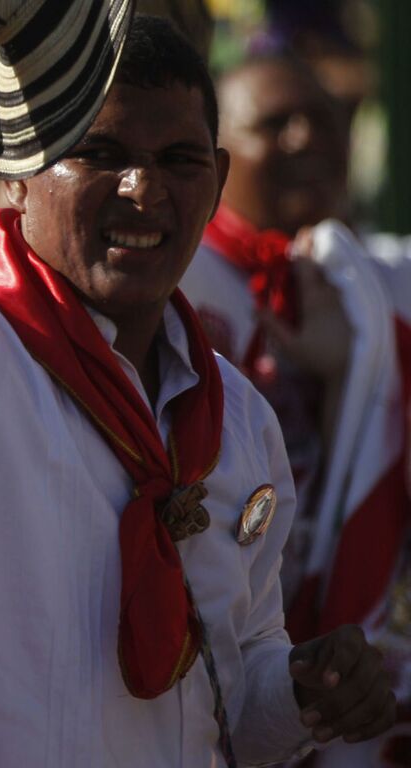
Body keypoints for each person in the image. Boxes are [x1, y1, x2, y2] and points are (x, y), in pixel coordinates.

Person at [0, 4, 398, 764]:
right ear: (16, 176)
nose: (144, 189)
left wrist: (304, 690)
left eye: (180, 160)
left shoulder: (234, 416)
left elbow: (226, 709)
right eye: (99, 152)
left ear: (219, 177)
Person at [179, 55, 411, 767]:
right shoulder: (173, 275)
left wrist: (363, 363)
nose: (307, 138)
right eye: (274, 124)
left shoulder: (378, 281)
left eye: (324, 119)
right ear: (214, 161)